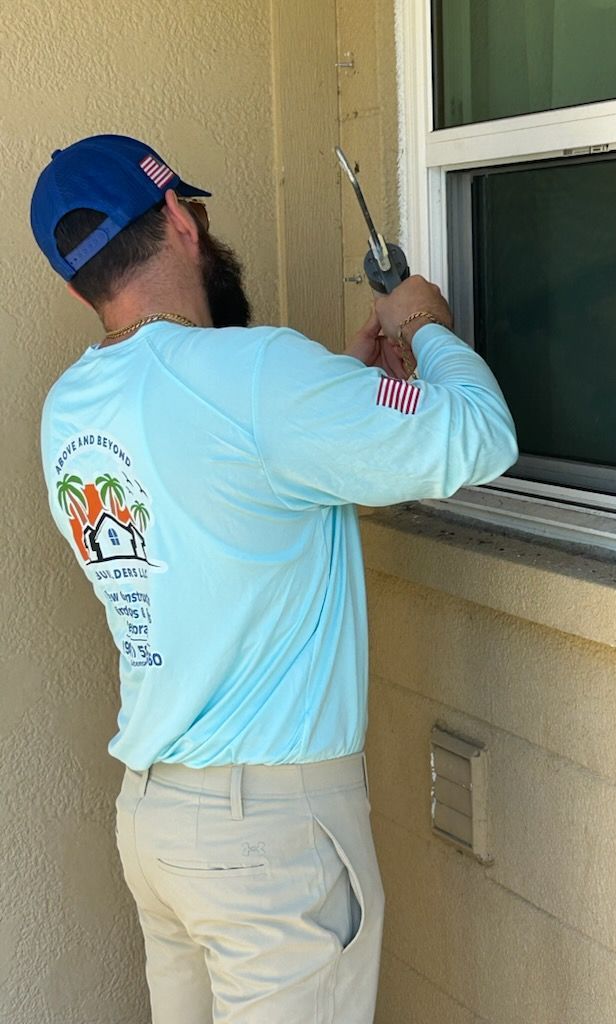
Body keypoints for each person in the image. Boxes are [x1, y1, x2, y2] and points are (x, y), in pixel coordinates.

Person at [31, 133, 517, 1024]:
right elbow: (478, 434)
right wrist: (423, 322)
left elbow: (230, 487)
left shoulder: (70, 410)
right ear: (180, 217)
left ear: (75, 284)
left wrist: (337, 396)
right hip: (268, 839)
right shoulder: (255, 374)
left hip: (157, 822)